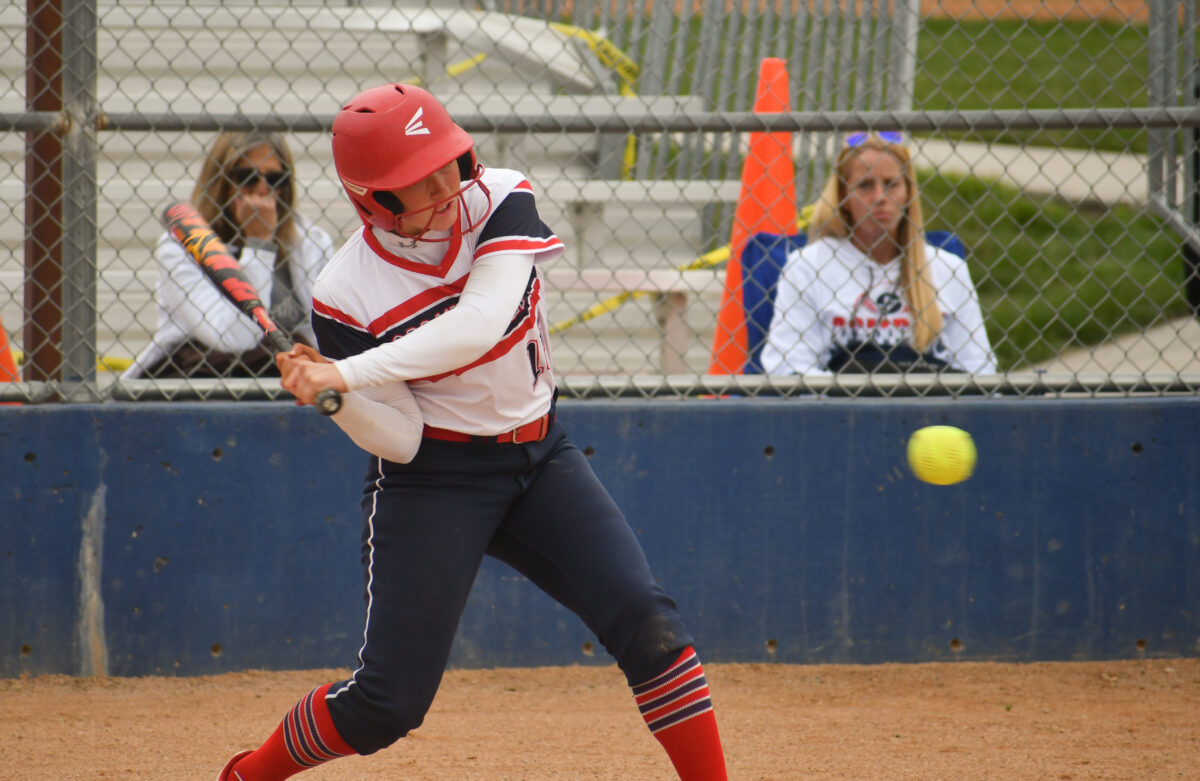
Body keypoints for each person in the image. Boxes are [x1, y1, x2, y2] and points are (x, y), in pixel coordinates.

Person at [216, 83, 728, 781]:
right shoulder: (344, 290)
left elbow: (481, 324)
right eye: (417, 180)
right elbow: (400, 439)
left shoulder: (501, 198)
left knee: (647, 620)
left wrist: (348, 373)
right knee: (386, 704)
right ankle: (246, 774)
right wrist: (334, 398)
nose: (445, 186)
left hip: (541, 456)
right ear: (374, 200)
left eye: (449, 162)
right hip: (434, 481)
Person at [761, 131, 996, 375]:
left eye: (891, 184)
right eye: (865, 185)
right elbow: (785, 365)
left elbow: (979, 369)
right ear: (844, 196)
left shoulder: (948, 268)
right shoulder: (808, 266)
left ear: (908, 193)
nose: (879, 197)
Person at [124, 131, 335, 379]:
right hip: (208, 383)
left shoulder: (308, 242)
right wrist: (259, 243)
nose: (262, 190)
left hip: (286, 382)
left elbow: (323, 339)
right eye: (247, 177)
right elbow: (235, 340)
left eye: (275, 180)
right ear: (220, 183)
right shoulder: (181, 247)